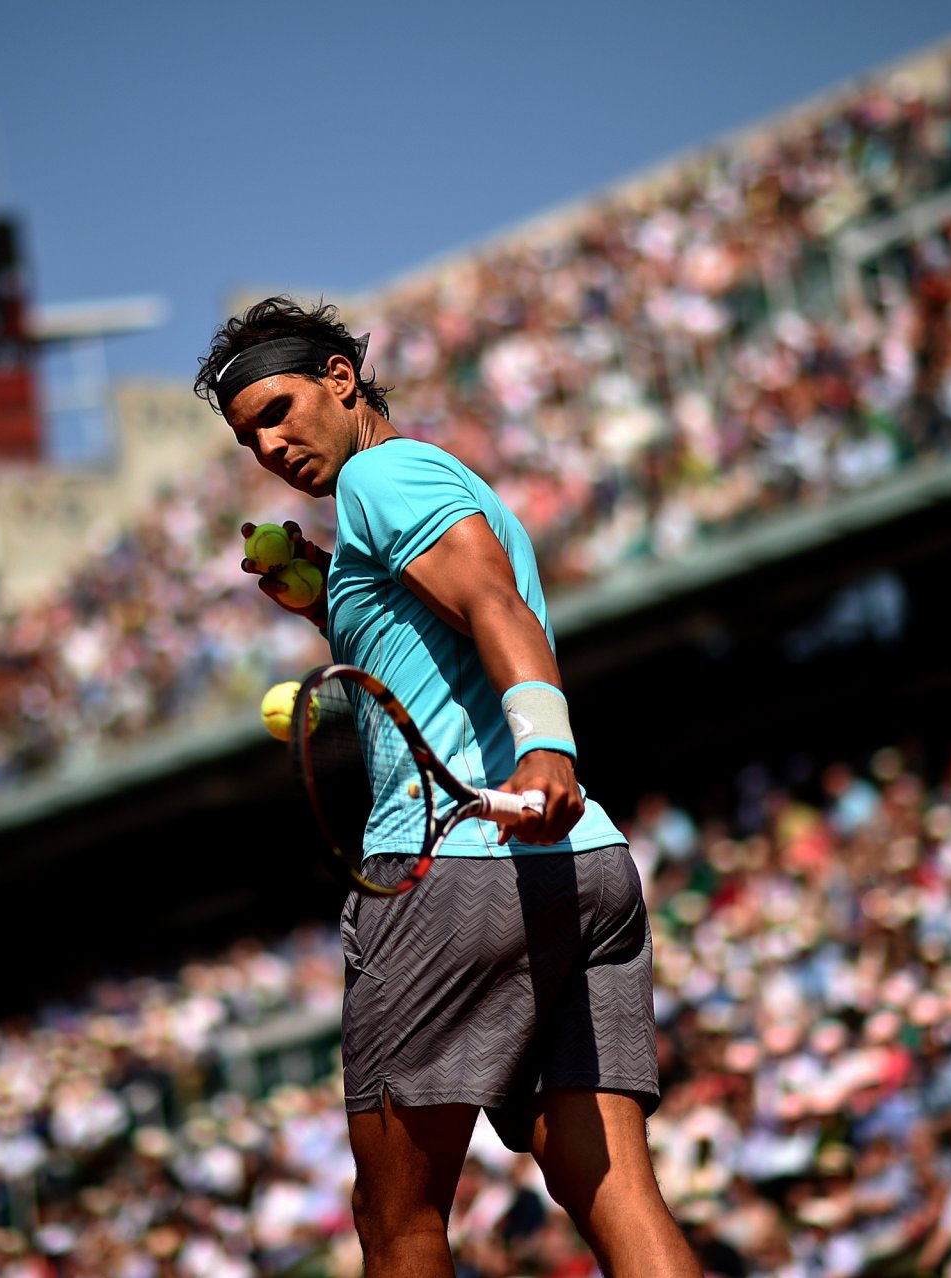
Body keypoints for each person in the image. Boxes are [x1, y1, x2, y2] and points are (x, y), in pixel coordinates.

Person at [198, 297, 700, 1277]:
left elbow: (490, 603)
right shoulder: (393, 507)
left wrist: (546, 747)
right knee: (613, 1191)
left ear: (343, 378)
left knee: (399, 1221)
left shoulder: (385, 475)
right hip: (581, 868)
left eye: (281, 406)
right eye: (250, 431)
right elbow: (419, 671)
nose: (270, 442)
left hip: (453, 868)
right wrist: (326, 601)